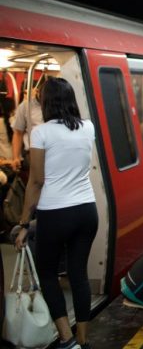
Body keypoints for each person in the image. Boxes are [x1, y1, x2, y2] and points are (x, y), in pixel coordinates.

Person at [15, 77, 98, 349]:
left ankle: (67, 338)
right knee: (78, 275)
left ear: (46, 102)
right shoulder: (88, 127)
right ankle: (83, 339)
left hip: (55, 212)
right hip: (86, 210)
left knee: (48, 273)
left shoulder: (41, 132)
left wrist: (24, 223)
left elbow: (37, 180)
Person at [10, 82, 44, 172]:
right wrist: (16, 157)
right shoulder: (26, 106)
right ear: (37, 91)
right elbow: (18, 133)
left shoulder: (56, 103)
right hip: (33, 152)